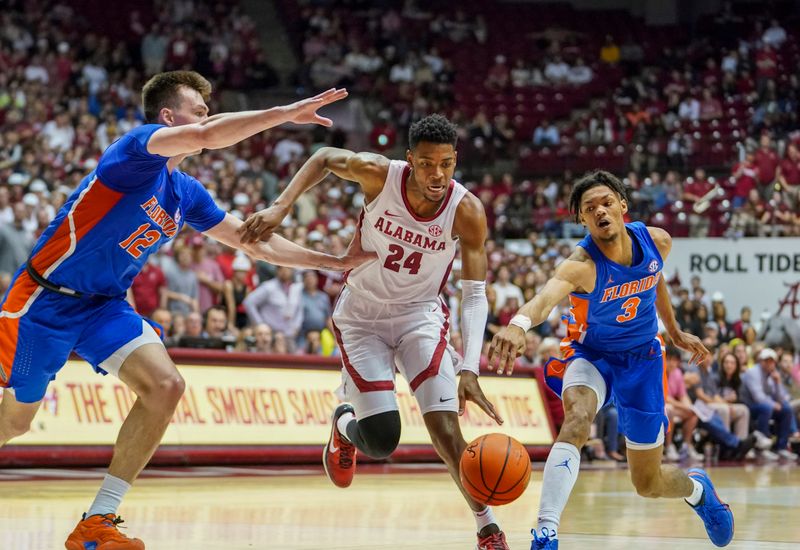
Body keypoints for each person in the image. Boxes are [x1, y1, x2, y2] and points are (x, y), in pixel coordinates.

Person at [0, 70, 373, 550]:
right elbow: (207, 135)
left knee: (166, 386)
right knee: (15, 423)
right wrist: (284, 114)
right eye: (199, 108)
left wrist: (331, 262)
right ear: (167, 117)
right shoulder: (133, 153)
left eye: (207, 110)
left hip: (103, 308)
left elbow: (251, 242)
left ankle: (97, 522)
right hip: (44, 300)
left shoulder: (185, 194)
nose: (207, 117)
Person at [239, 114, 509, 549]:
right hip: (362, 316)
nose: (436, 174)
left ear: (455, 161)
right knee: (382, 440)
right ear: (409, 160)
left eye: (445, 163)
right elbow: (324, 156)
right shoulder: (379, 175)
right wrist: (280, 207)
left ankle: (487, 527)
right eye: (425, 164)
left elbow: (474, 294)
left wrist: (471, 368)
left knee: (446, 432)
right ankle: (344, 425)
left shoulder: (467, 210)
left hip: (419, 317)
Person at [487, 170, 734, 549]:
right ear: (582, 220)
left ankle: (698, 491)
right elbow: (545, 298)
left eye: (606, 202)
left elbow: (655, 279)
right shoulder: (580, 264)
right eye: (590, 208)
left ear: (622, 206)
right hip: (592, 354)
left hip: (643, 359)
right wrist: (519, 324)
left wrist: (674, 329)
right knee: (577, 419)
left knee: (647, 484)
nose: (600, 211)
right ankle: (546, 532)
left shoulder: (658, 242)